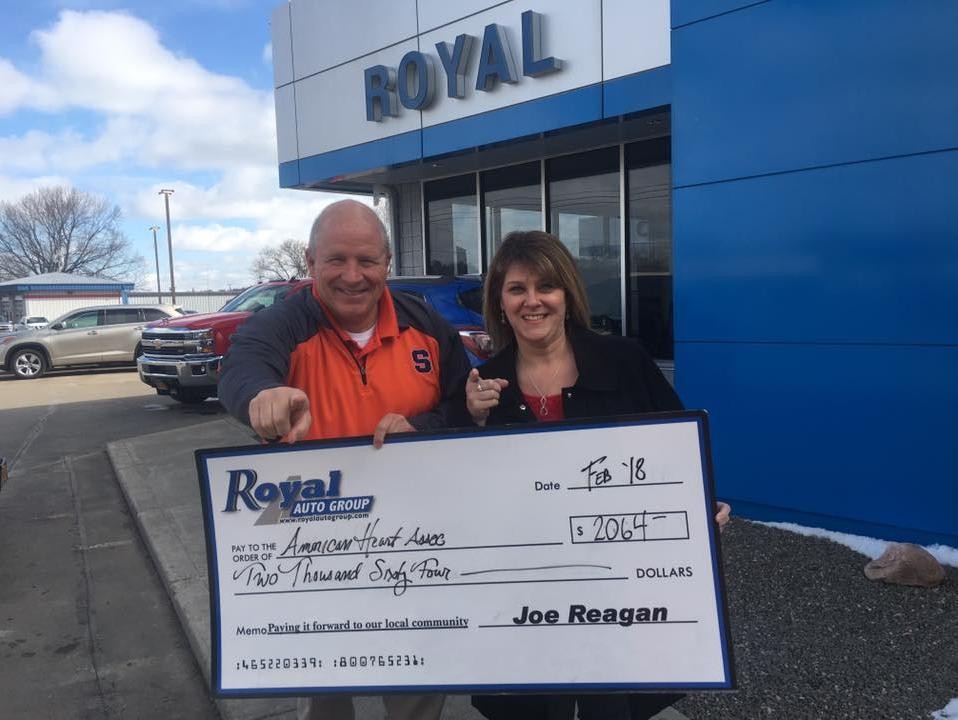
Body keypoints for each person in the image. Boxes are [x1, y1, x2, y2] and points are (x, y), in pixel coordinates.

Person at [462, 230, 731, 720]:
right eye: (516, 289)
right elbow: (461, 495)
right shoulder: (484, 387)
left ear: (567, 295)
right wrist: (473, 421)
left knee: (612, 706)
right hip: (521, 595)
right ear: (500, 303)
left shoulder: (625, 361)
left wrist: (702, 503)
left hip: (614, 589)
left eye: (546, 286)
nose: (533, 301)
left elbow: (676, 451)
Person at [218, 199, 471, 720]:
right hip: (313, 542)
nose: (352, 276)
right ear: (310, 262)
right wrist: (260, 396)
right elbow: (242, 366)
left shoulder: (426, 324)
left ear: (387, 262)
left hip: (414, 541)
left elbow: (461, 410)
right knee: (325, 689)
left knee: (418, 682)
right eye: (336, 260)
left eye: (366, 261)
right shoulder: (284, 323)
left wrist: (422, 427)